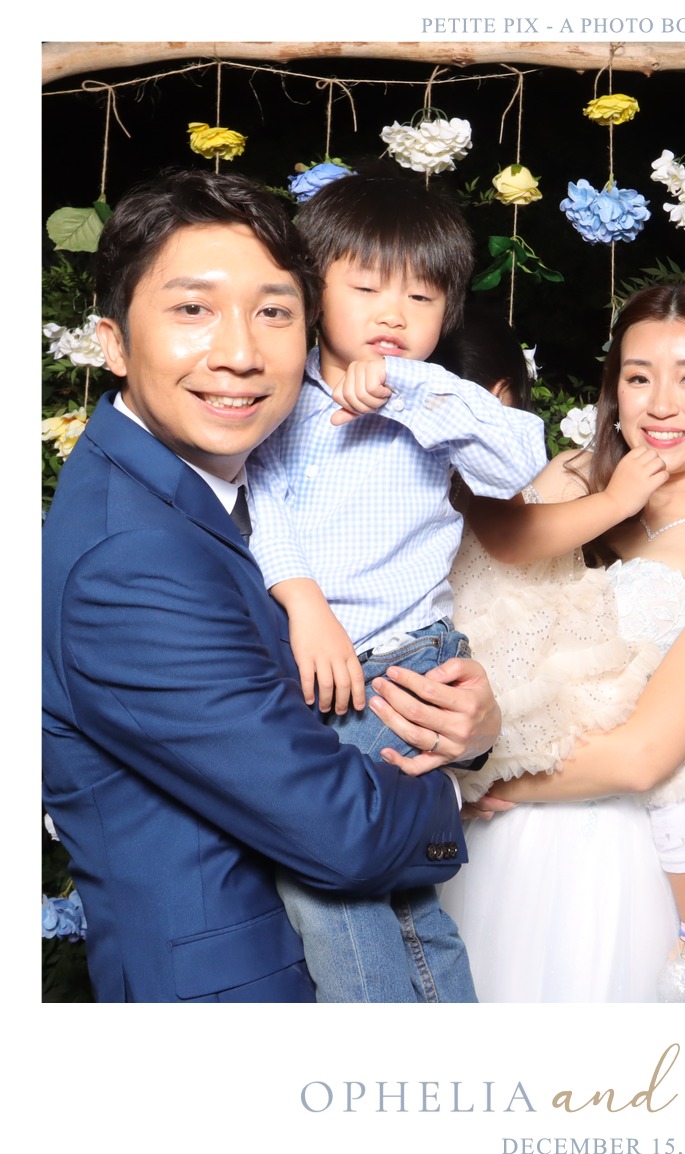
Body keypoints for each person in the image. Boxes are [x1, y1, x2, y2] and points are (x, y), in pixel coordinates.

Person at [41, 169, 501, 1003]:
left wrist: (466, 730)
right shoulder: (129, 560)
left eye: (274, 312)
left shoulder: (230, 489)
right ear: (113, 342)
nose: (241, 353)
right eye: (193, 309)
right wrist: (447, 782)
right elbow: (341, 834)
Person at [438, 284, 685, 1002]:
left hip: (599, 850)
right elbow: (477, 603)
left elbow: (645, 758)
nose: (661, 405)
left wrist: (471, 773)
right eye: (639, 378)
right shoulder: (571, 476)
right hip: (482, 836)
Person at [245, 164, 547, 1001]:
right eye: (366, 287)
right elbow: (260, 498)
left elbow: (517, 462)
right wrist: (304, 602)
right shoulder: (281, 393)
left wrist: (412, 388)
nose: (392, 314)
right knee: (406, 901)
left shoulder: (435, 398)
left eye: (420, 297)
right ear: (313, 288)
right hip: (314, 663)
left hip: (402, 668)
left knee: (329, 883)